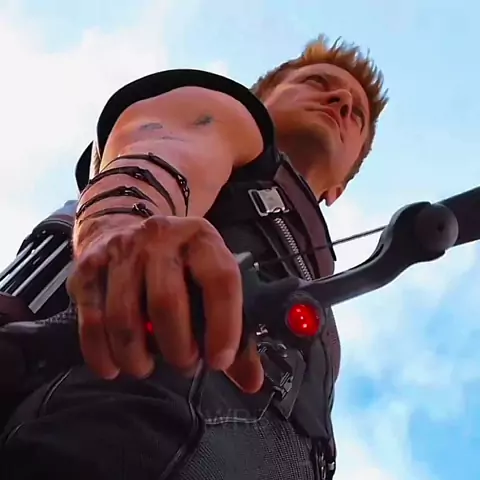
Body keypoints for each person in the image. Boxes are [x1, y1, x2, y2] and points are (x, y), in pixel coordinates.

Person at [0, 35, 388, 479]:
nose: (341, 101)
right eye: (317, 82)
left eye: (357, 114)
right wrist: (123, 230)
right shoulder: (231, 119)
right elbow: (169, 148)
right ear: (262, 100)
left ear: (339, 189)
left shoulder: (324, 328)